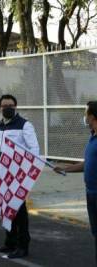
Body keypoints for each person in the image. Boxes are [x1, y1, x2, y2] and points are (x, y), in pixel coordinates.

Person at [0, 94, 39, 259]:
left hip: (17, 175)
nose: (8, 108)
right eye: (4, 106)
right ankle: (9, 243)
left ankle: (23, 245)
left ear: (16, 106)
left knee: (19, 210)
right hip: (1, 174)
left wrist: (24, 170)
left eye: (11, 105)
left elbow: (34, 151)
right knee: (5, 209)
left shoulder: (25, 125)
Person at [54, 101, 97, 263]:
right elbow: (88, 164)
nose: (84, 117)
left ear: (92, 116)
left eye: (86, 113)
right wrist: (65, 168)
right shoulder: (92, 137)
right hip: (91, 193)